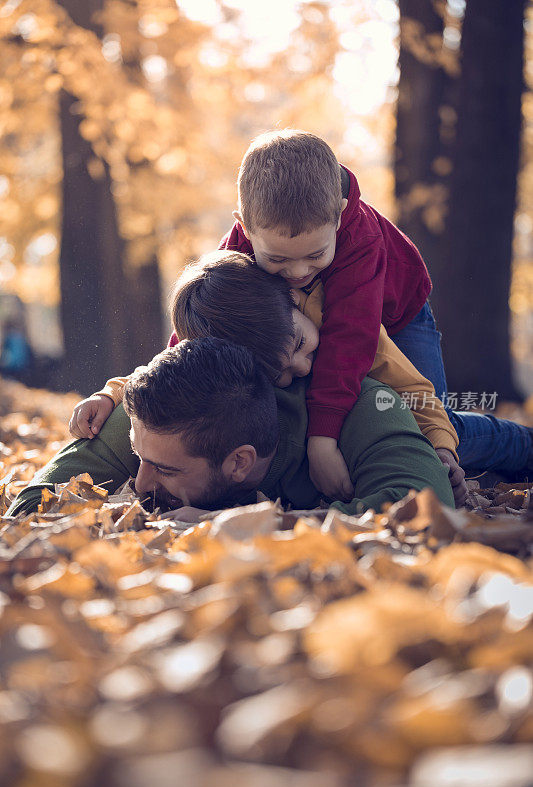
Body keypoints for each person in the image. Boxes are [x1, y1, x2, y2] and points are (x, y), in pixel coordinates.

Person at [67, 130, 533, 500]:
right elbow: (192, 344)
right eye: (278, 261)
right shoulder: (241, 255)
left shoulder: (359, 243)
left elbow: (350, 345)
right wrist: (117, 391)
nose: (296, 272)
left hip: (395, 317)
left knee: (426, 416)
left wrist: (323, 440)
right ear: (246, 227)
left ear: (339, 216)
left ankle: (514, 446)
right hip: (306, 322)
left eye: (314, 256)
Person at [70, 252, 467, 506]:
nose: (304, 368)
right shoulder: (224, 315)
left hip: (406, 331)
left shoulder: (345, 327)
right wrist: (113, 393)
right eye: (278, 371)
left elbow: (415, 394)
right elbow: (170, 369)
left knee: (458, 427)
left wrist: (443, 450)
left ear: (293, 298)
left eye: (297, 344)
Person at [8, 337, 454, 519]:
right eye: (140, 459)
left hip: (423, 407)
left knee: (478, 437)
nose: (140, 483)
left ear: (239, 461)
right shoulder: (152, 421)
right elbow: (31, 504)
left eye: (165, 470)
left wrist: (236, 525)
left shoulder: (365, 409)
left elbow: (421, 506)